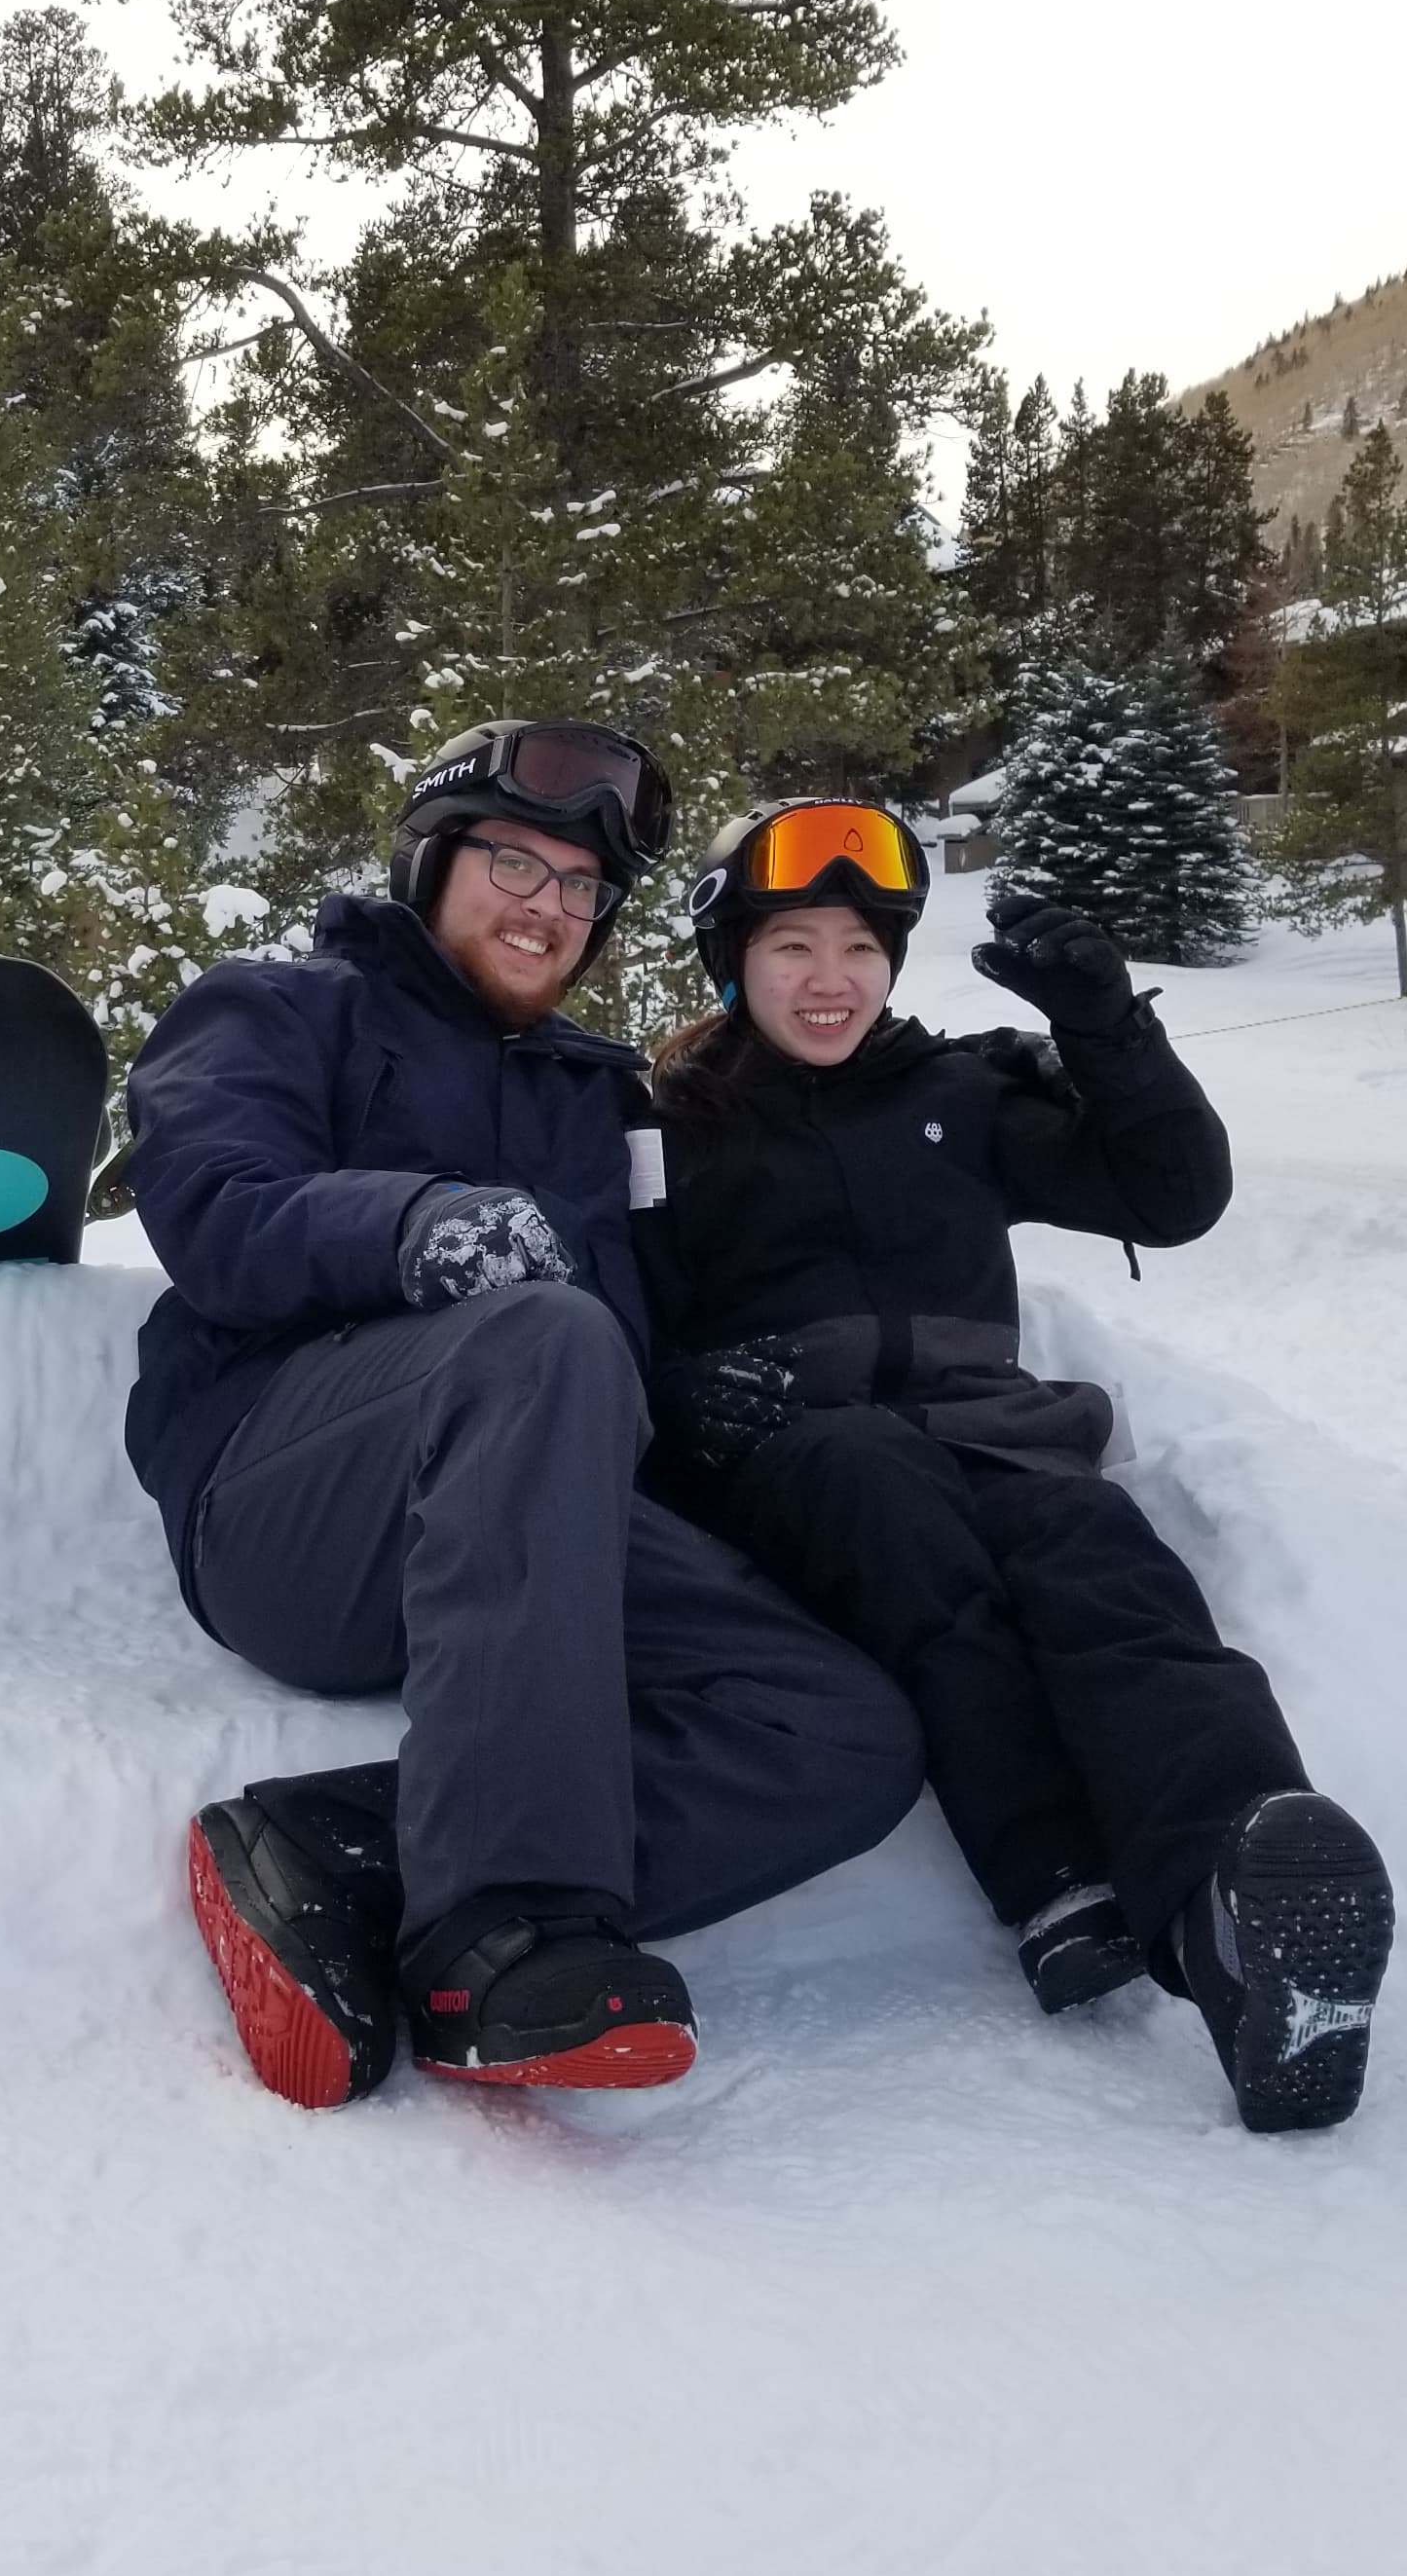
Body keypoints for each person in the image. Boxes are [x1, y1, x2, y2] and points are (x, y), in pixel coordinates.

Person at [125, 722, 927, 2108]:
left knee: (839, 1730)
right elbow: (214, 1209)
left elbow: (626, 1325)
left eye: (581, 891)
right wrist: (417, 1225)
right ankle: (498, 1933)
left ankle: (335, 1853)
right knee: (539, 1331)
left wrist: (725, 1398)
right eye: (517, 862)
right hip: (293, 1509)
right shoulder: (279, 1008)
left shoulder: (595, 1098)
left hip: (529, 1504)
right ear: (432, 862)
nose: (550, 907)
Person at [634, 800, 1394, 2132]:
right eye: (793, 945)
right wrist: (690, 1397)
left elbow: (1172, 1195)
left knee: (1104, 1567)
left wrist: (1106, 1026)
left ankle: (1246, 1906)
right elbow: (606, 1309)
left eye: (861, 948)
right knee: (889, 1499)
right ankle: (1049, 1870)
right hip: (793, 1459)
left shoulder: (962, 1092)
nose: (830, 979)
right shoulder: (664, 1126)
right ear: (731, 962)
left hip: (989, 1429)